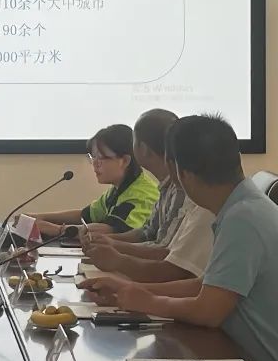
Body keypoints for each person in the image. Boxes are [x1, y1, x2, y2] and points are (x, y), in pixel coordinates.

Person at [79, 114, 278, 361]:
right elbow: (205, 286)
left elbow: (208, 311)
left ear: (182, 173)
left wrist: (149, 301)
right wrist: (128, 291)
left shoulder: (244, 218)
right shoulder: (241, 207)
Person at [81, 111, 216, 283]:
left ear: (142, 149)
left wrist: (117, 257)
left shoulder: (189, 195)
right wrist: (109, 243)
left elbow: (168, 257)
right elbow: (148, 233)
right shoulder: (167, 186)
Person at [29, 123, 160, 237]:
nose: (95, 164)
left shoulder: (142, 194)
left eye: (101, 158)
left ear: (125, 160)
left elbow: (112, 231)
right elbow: (85, 215)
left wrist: (56, 229)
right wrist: (39, 217)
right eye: (93, 157)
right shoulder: (119, 188)